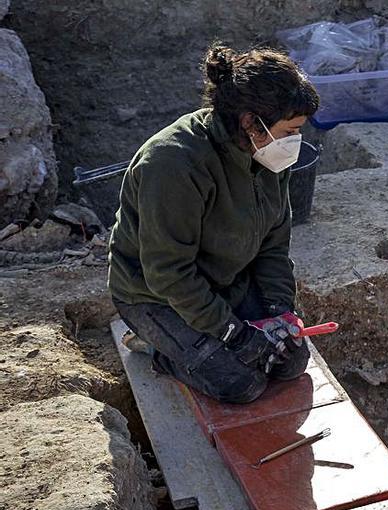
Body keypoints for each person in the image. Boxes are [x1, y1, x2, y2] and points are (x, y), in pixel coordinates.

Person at [109, 44, 320, 403]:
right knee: (240, 384)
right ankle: (156, 345)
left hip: (225, 281)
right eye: (290, 131)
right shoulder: (174, 164)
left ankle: (205, 340)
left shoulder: (266, 154)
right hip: (157, 296)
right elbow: (168, 274)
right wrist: (234, 334)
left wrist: (279, 312)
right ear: (251, 122)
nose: (295, 142)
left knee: (290, 362)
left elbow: (273, 246)